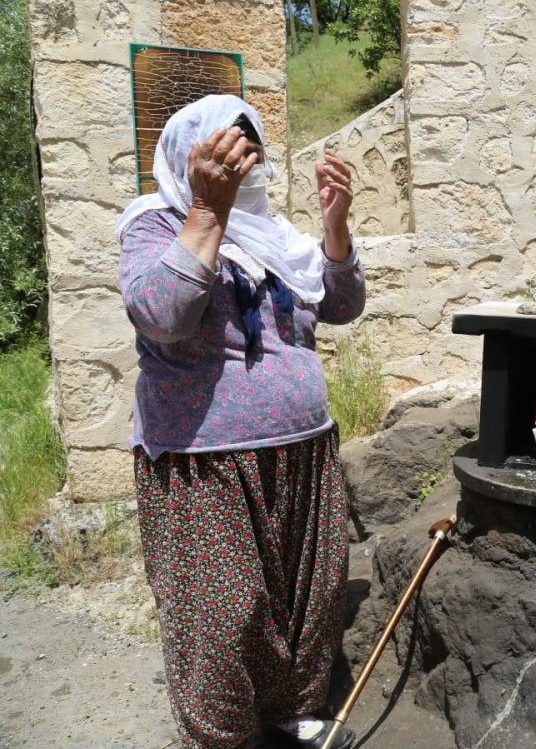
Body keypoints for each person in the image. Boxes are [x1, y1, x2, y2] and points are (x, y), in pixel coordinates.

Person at [116, 94, 365, 749]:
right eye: (225, 149)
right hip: (206, 461)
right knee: (221, 619)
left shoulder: (276, 237)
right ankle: (223, 739)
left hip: (304, 449)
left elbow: (341, 304)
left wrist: (334, 230)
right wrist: (206, 214)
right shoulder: (155, 225)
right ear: (187, 158)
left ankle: (293, 716)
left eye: (248, 148)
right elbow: (162, 314)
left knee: (309, 598)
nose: (242, 164)